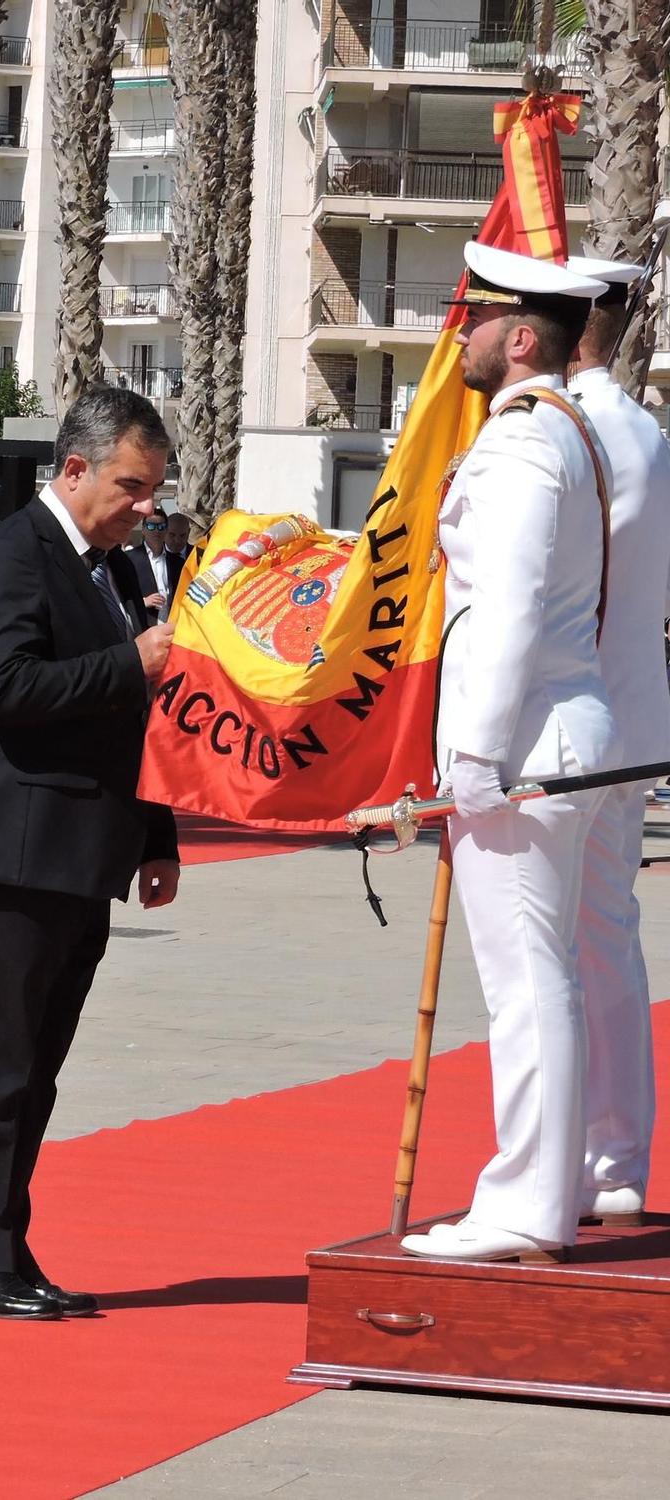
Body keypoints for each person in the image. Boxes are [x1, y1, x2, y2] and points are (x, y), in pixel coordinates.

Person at [0, 385, 179, 1320]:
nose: (144, 505)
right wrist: (133, 661)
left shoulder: (109, 569)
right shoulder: (13, 556)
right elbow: (4, 688)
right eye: (130, 485)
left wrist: (157, 835)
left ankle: (7, 1248)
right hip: (10, 851)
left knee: (34, 1070)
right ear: (74, 470)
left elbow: (135, 723)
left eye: (152, 489)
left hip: (81, 854)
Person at [400, 242, 618, 1263]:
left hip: (525, 739)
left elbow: (511, 606)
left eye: (473, 315)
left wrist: (471, 758)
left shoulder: (526, 441)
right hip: (552, 732)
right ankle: (549, 1184)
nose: (460, 329)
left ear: (519, 337)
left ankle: (523, 1205)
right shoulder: (552, 431)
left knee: (526, 981)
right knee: (548, 977)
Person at [562, 254, 670, 1229]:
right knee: (606, 946)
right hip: (630, 726)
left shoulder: (560, 433)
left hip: (559, 733)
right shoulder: (642, 430)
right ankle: (612, 1160)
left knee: (544, 957)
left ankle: (550, 1172)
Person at [122, 510, 187, 625]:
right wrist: (143, 602)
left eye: (161, 527)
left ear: (166, 530)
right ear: (143, 530)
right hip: (144, 625)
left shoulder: (178, 562)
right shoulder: (129, 559)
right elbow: (122, 597)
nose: (157, 530)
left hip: (172, 626)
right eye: (151, 526)